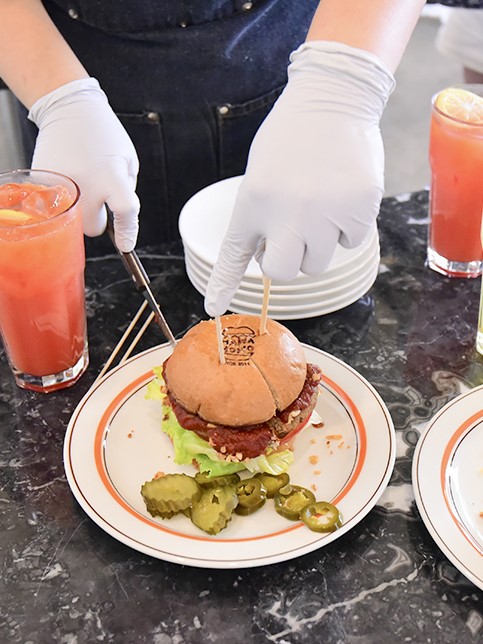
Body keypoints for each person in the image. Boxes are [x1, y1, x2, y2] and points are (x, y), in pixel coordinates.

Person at [0, 1, 470, 319]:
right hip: (70, 78)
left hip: (293, 63)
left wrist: (343, 80)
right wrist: (61, 99)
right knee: (96, 299)